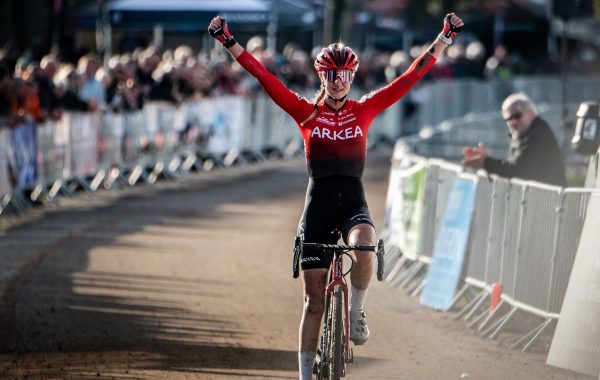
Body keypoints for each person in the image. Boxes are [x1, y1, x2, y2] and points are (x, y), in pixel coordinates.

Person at [209, 13, 463, 379]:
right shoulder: (306, 113)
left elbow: (410, 75)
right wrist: (228, 41)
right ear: (322, 77)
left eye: (344, 75)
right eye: (331, 75)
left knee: (364, 247)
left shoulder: (364, 109)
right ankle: (305, 375)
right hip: (318, 206)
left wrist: (445, 36)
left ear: (352, 77)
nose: (338, 81)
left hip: (352, 204)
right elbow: (264, 77)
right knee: (313, 303)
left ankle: (356, 310)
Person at [462, 92, 567, 187]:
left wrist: (486, 162)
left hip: (545, 203)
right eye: (508, 119)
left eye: (517, 116)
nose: (512, 122)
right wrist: (486, 161)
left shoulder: (537, 134)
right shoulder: (523, 133)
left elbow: (518, 169)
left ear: (530, 113)